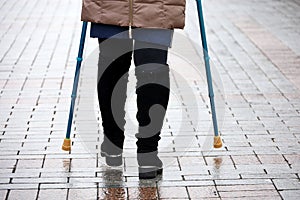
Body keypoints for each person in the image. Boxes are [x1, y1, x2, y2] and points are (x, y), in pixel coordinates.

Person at [81, 0, 186, 179]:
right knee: (152, 70)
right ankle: (148, 154)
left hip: (111, 5)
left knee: (113, 68)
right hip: (156, 7)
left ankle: (114, 143)